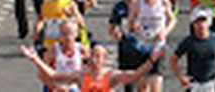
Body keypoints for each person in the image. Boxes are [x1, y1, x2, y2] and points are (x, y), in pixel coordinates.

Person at [22, 42, 164, 90]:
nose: (95, 59)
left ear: (104, 59)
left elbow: (135, 75)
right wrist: (35, 59)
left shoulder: (111, 76)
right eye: (93, 55)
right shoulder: (81, 75)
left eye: (98, 55)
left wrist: (151, 60)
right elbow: (53, 75)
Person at [172, 7, 215, 92]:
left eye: (203, 20)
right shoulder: (188, 41)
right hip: (194, 83)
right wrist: (181, 77)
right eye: (197, 21)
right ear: (193, 24)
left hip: (211, 82)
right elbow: (173, 60)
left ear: (209, 22)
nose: (201, 24)